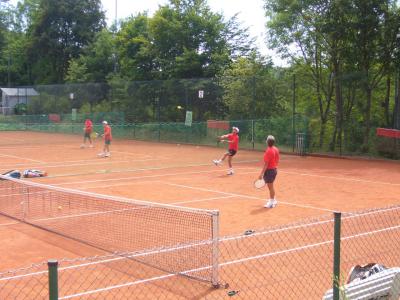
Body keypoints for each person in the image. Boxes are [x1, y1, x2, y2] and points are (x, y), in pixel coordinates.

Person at [258, 135, 280, 208]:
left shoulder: (268, 151)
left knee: (270, 187)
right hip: (274, 170)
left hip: (270, 171)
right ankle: (274, 200)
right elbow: (277, 160)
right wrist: (275, 167)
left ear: (267, 142)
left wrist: (261, 173)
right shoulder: (276, 149)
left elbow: (266, 164)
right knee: (270, 186)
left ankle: (271, 202)